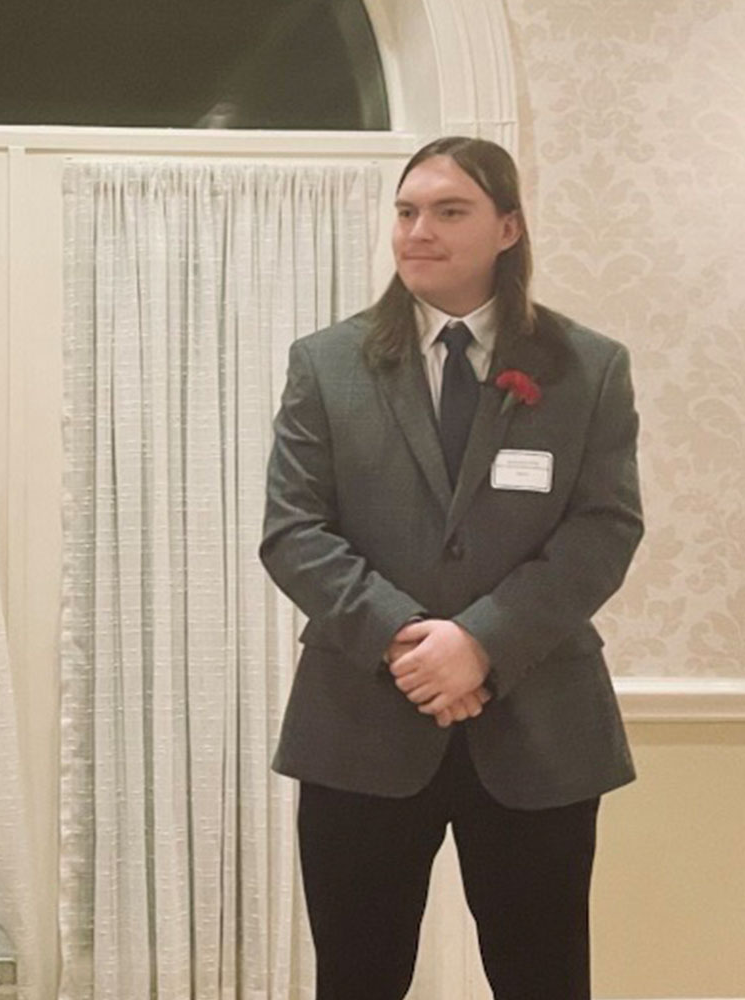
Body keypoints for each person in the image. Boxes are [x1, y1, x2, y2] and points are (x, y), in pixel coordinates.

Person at [260, 136, 643, 998]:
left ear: (507, 228)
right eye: (406, 211)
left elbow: (604, 529)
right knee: (357, 981)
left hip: (540, 729)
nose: (418, 231)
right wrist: (407, 641)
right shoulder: (327, 364)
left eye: (449, 211)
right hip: (359, 726)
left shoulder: (589, 367)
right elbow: (293, 531)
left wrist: (480, 643)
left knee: (543, 980)